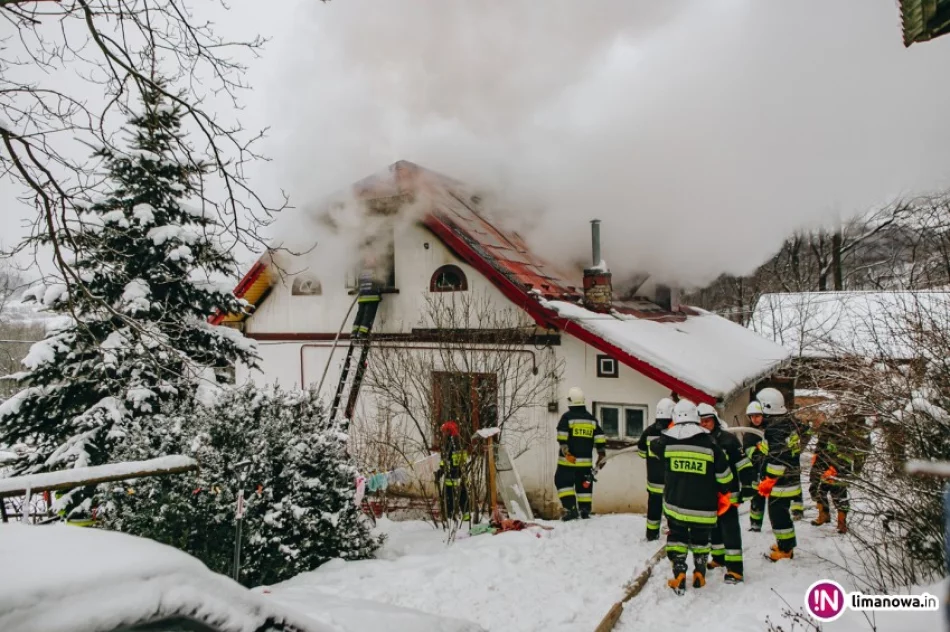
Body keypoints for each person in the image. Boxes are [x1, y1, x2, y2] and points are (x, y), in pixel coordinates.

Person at [652, 399, 734, 594]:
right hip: (704, 508)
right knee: (701, 540)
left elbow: (653, 447)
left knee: (677, 538)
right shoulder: (711, 443)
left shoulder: (667, 442)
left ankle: (679, 573)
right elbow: (725, 477)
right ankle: (699, 573)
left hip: (676, 505)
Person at [699, 403, 753, 584]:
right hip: (709, 494)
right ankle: (719, 558)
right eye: (700, 421)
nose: (704, 424)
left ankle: (735, 569)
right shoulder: (697, 441)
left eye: (707, 421)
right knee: (713, 529)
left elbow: (743, 464)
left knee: (730, 530)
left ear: (715, 421)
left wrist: (748, 485)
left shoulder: (728, 440)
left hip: (728, 494)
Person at [755, 387, 802, 562]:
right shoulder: (786, 423)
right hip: (789, 478)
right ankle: (785, 543)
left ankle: (785, 549)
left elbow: (777, 460)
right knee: (781, 514)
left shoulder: (775, 430)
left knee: (778, 516)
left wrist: (768, 479)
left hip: (781, 483)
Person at [555, 387, 607, 521]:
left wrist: (566, 452)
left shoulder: (567, 417)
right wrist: (601, 454)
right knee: (584, 485)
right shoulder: (591, 419)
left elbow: (562, 437)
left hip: (568, 462)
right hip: (585, 464)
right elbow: (600, 438)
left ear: (570, 401)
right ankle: (585, 510)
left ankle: (571, 509)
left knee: (562, 482)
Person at [809, 416, 860, 534]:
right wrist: (817, 463)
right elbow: (821, 448)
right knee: (819, 491)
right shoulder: (826, 429)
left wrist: (835, 468)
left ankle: (841, 523)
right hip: (824, 468)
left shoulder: (843, 432)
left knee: (839, 496)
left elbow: (847, 453)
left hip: (838, 470)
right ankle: (824, 515)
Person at [637, 397, 676, 540]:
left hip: (653, 481)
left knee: (654, 507)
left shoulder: (648, 431)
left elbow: (641, 453)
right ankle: (674, 533)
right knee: (673, 509)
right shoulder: (675, 432)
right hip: (671, 481)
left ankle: (651, 534)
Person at [436, 421, 470, 524]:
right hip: (461, 475)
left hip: (451, 477)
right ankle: (466, 516)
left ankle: (450, 518)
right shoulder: (460, 441)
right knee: (463, 496)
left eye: (444, 432)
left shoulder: (449, 443)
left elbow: (447, 460)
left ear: (448, 432)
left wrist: (440, 471)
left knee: (449, 498)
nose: (443, 434)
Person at [742, 401, 768, 532]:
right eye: (752, 416)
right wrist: (761, 449)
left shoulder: (770, 430)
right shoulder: (749, 434)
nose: (755, 419)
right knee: (757, 499)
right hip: (756, 470)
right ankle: (755, 524)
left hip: (771, 469)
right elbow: (751, 453)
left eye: (757, 416)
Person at [352, 253, 384, 338]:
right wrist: (380, 293)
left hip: (362, 298)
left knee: (360, 315)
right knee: (368, 316)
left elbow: (359, 285)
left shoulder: (362, 272)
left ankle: (354, 332)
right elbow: (379, 283)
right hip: (372, 298)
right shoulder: (376, 272)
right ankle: (363, 333)